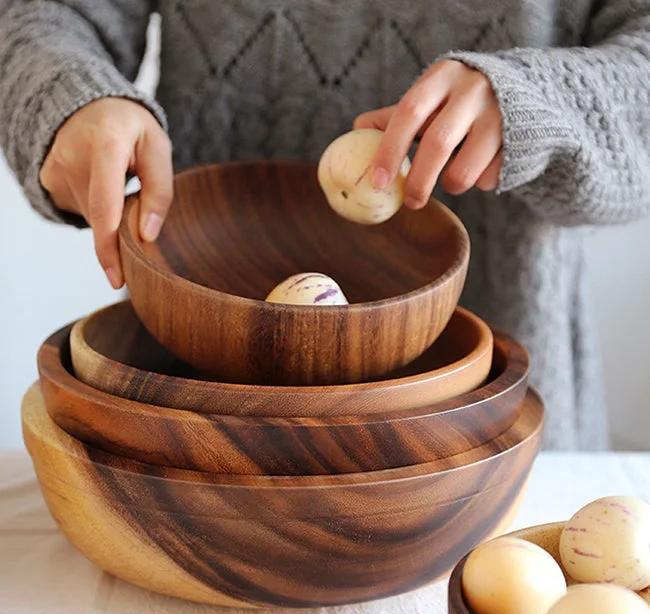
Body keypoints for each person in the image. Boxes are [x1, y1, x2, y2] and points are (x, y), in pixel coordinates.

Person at [1, 2, 649, 450]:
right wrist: (71, 98)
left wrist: (542, 102)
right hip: (200, 409)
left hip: (496, 424)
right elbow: (47, 13)